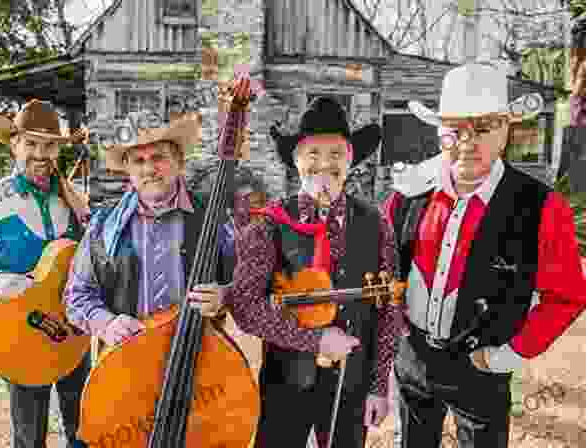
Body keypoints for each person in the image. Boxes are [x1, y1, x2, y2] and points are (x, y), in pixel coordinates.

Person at [383, 62, 586, 448]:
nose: (467, 142)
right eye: (455, 130)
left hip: (481, 367)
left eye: (485, 128)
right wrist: (397, 329)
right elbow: (380, 265)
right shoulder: (407, 195)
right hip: (412, 360)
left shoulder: (542, 206)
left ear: (506, 130)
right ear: (439, 132)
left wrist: (507, 355)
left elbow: (567, 296)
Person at [222, 96, 402, 448]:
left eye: (336, 153)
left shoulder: (376, 223)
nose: (325, 163)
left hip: (351, 385)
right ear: (296, 160)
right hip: (285, 383)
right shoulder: (269, 225)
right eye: (313, 153)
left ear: (351, 159)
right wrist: (316, 341)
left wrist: (380, 386)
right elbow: (246, 308)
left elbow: (388, 311)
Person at [61, 76, 251, 363]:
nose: (149, 168)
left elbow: (247, 283)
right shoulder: (103, 223)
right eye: (139, 160)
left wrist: (225, 295)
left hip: (200, 360)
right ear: (127, 169)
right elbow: (77, 294)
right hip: (125, 360)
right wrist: (105, 323)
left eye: (158, 157)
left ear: (178, 162)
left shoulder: (214, 218)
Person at [0, 99, 91, 448]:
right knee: (29, 436)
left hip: (75, 331)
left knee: (85, 426)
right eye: (31, 143)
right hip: (20, 335)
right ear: (14, 144)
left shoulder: (74, 200)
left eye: (50, 145)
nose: (41, 153)